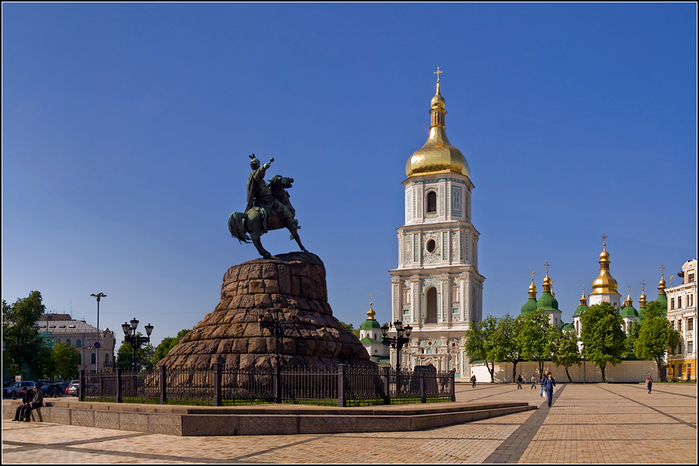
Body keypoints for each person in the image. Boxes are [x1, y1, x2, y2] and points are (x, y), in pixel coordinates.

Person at [245, 154, 294, 230]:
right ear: (257, 165)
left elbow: (262, 185)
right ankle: (291, 225)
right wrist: (264, 167)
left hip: (261, 200)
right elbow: (259, 174)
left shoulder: (251, 176)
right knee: (286, 210)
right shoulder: (256, 174)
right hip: (268, 200)